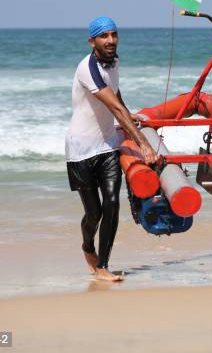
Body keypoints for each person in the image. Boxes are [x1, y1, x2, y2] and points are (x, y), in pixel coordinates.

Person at [65, 16, 158, 281]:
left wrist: (131, 118)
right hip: (81, 149)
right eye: (104, 36)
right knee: (93, 214)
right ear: (91, 41)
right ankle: (87, 246)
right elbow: (113, 107)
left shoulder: (115, 62)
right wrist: (143, 144)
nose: (111, 40)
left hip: (107, 145)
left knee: (113, 203)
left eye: (114, 34)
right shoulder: (87, 68)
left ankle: (103, 266)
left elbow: (118, 99)